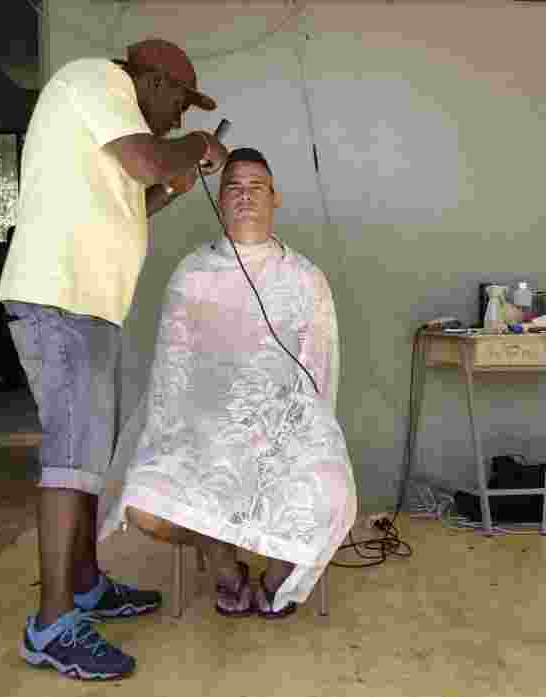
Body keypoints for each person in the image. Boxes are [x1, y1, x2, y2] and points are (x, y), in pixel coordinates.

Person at [0, 38, 229, 680]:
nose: (180, 115)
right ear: (150, 80)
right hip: (61, 299)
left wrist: (177, 181)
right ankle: (51, 623)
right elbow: (152, 158)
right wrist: (198, 148)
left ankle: (87, 584)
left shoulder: (112, 123)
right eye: (180, 100)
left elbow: (135, 202)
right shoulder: (97, 80)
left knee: (90, 452)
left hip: (90, 306)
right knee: (73, 453)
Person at [97, 147, 357, 622]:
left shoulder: (305, 279)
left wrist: (294, 432)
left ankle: (276, 579)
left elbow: (319, 374)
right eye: (233, 187)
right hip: (202, 426)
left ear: (275, 198)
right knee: (146, 505)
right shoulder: (190, 276)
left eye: (257, 186)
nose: (245, 196)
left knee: (331, 491)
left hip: (283, 426)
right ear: (219, 200)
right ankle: (224, 568)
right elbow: (171, 376)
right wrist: (192, 430)